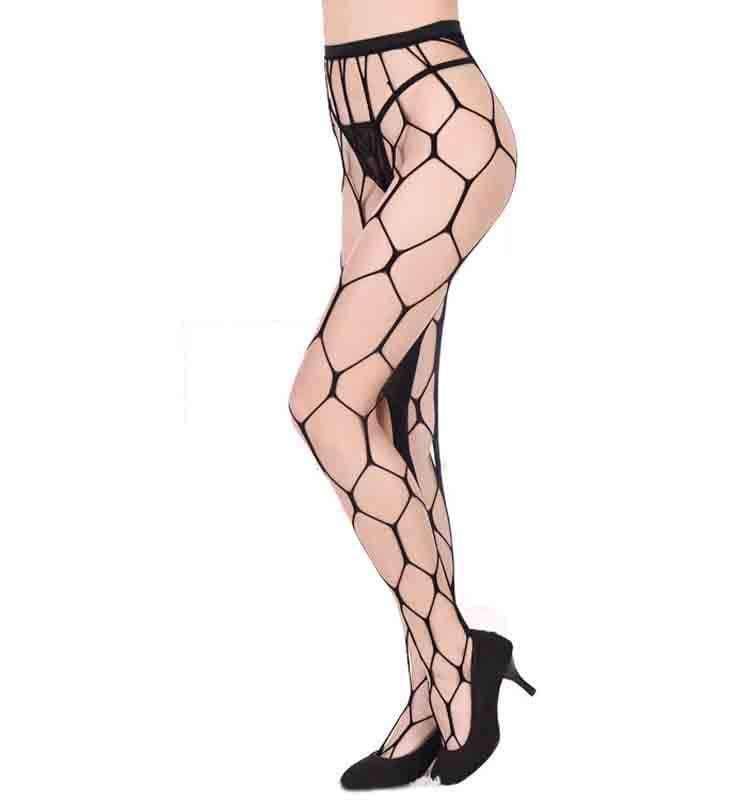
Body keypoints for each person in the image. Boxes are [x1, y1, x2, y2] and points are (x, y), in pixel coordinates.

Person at [290, 1, 534, 787]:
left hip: (441, 116)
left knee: (323, 404)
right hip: (356, 119)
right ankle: (431, 692)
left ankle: (457, 654)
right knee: (396, 421)